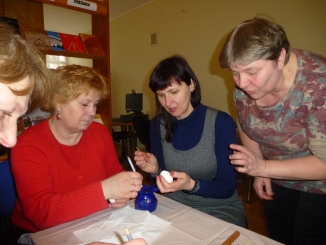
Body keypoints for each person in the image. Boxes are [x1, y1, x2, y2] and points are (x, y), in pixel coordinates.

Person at [219, 17, 326, 244]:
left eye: (252, 72)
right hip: (276, 174)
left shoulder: (319, 84)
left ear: (280, 58)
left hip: (321, 184)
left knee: (308, 237)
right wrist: (261, 170)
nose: (241, 84)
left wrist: (263, 167)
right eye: (235, 73)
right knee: (278, 234)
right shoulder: (245, 86)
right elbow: (247, 126)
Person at [9, 65, 143, 242]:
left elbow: (114, 174)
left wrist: (122, 190)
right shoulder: (28, 145)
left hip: (93, 221)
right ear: (58, 102)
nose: (93, 112)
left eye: (95, 104)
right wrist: (104, 191)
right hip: (40, 234)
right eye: (84, 104)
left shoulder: (99, 133)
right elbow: (41, 214)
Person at [134, 55, 246, 228]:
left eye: (174, 92)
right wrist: (156, 170)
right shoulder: (158, 124)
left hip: (219, 208)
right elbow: (163, 178)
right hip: (174, 205)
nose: (167, 102)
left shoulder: (220, 123)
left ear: (192, 84)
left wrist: (192, 185)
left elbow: (227, 187)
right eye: (161, 95)